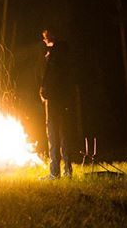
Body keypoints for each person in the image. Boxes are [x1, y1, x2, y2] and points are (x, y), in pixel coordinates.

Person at [40, 28, 73, 180]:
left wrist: (45, 89)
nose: (44, 40)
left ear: (51, 36)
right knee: (64, 132)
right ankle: (67, 170)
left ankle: (54, 172)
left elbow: (52, 75)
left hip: (54, 98)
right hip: (65, 97)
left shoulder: (55, 53)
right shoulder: (65, 51)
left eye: (45, 37)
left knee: (53, 132)